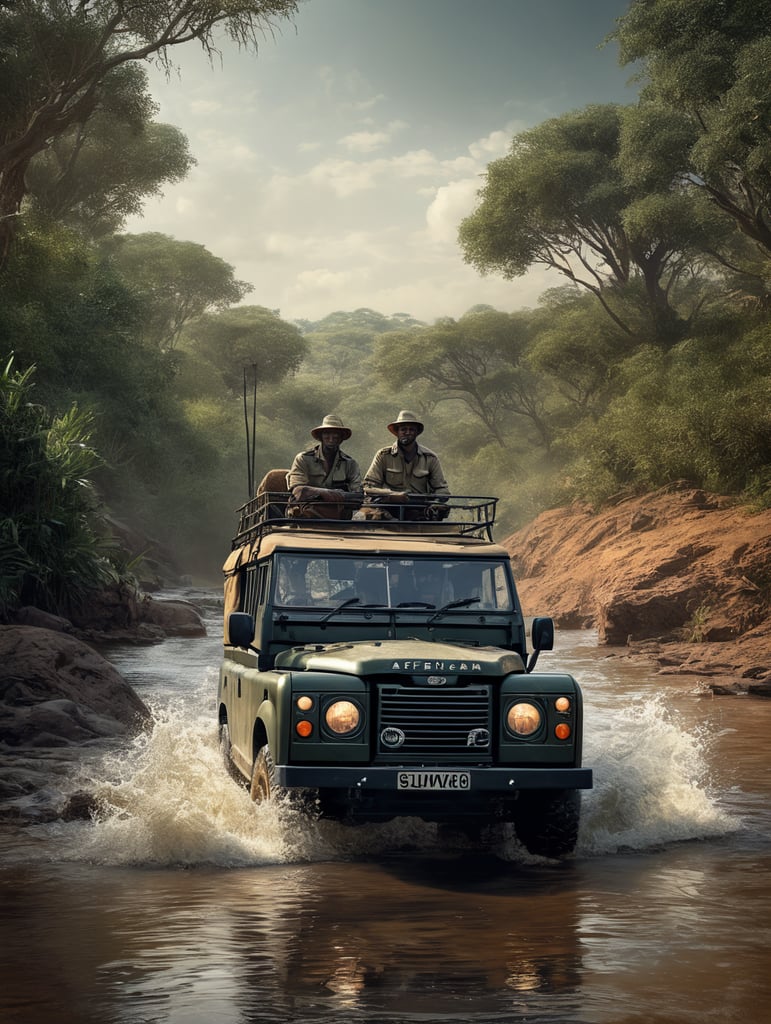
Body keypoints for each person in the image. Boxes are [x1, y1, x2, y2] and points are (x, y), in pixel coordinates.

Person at [363, 410, 449, 518]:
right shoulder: (383, 455)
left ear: (416, 432)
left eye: (411, 429)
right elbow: (369, 486)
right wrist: (391, 495)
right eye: (403, 429)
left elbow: (442, 489)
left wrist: (436, 503)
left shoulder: (430, 458)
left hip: (420, 508)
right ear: (397, 432)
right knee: (368, 513)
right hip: (388, 507)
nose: (407, 432)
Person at [287, 414, 362, 492]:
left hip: (339, 503)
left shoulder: (350, 464)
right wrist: (325, 493)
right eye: (327, 433)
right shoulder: (303, 459)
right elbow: (297, 489)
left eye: (335, 434)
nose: (331, 438)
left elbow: (357, 492)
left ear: (341, 438)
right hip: (307, 504)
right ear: (321, 436)